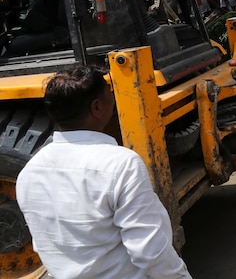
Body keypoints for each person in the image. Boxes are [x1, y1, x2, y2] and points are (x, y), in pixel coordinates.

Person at [16, 66, 192, 279]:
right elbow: (150, 251)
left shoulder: (30, 171)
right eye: (110, 93)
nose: (114, 98)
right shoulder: (121, 164)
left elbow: (44, 244)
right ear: (97, 107)